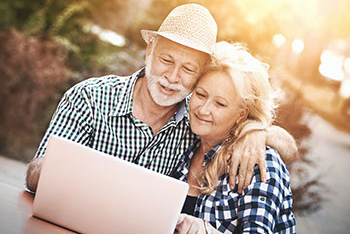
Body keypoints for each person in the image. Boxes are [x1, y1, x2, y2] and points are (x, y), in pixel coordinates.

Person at [25, 4, 297, 193]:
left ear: (200, 73)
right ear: (149, 51)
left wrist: (256, 132)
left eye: (188, 69)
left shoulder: (199, 120)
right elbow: (34, 177)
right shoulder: (90, 97)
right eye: (166, 60)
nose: (173, 76)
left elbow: (288, 149)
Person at [173, 41, 296, 234]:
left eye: (220, 104)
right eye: (201, 94)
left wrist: (205, 231)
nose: (203, 110)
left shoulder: (259, 161)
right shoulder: (184, 140)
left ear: (242, 114)